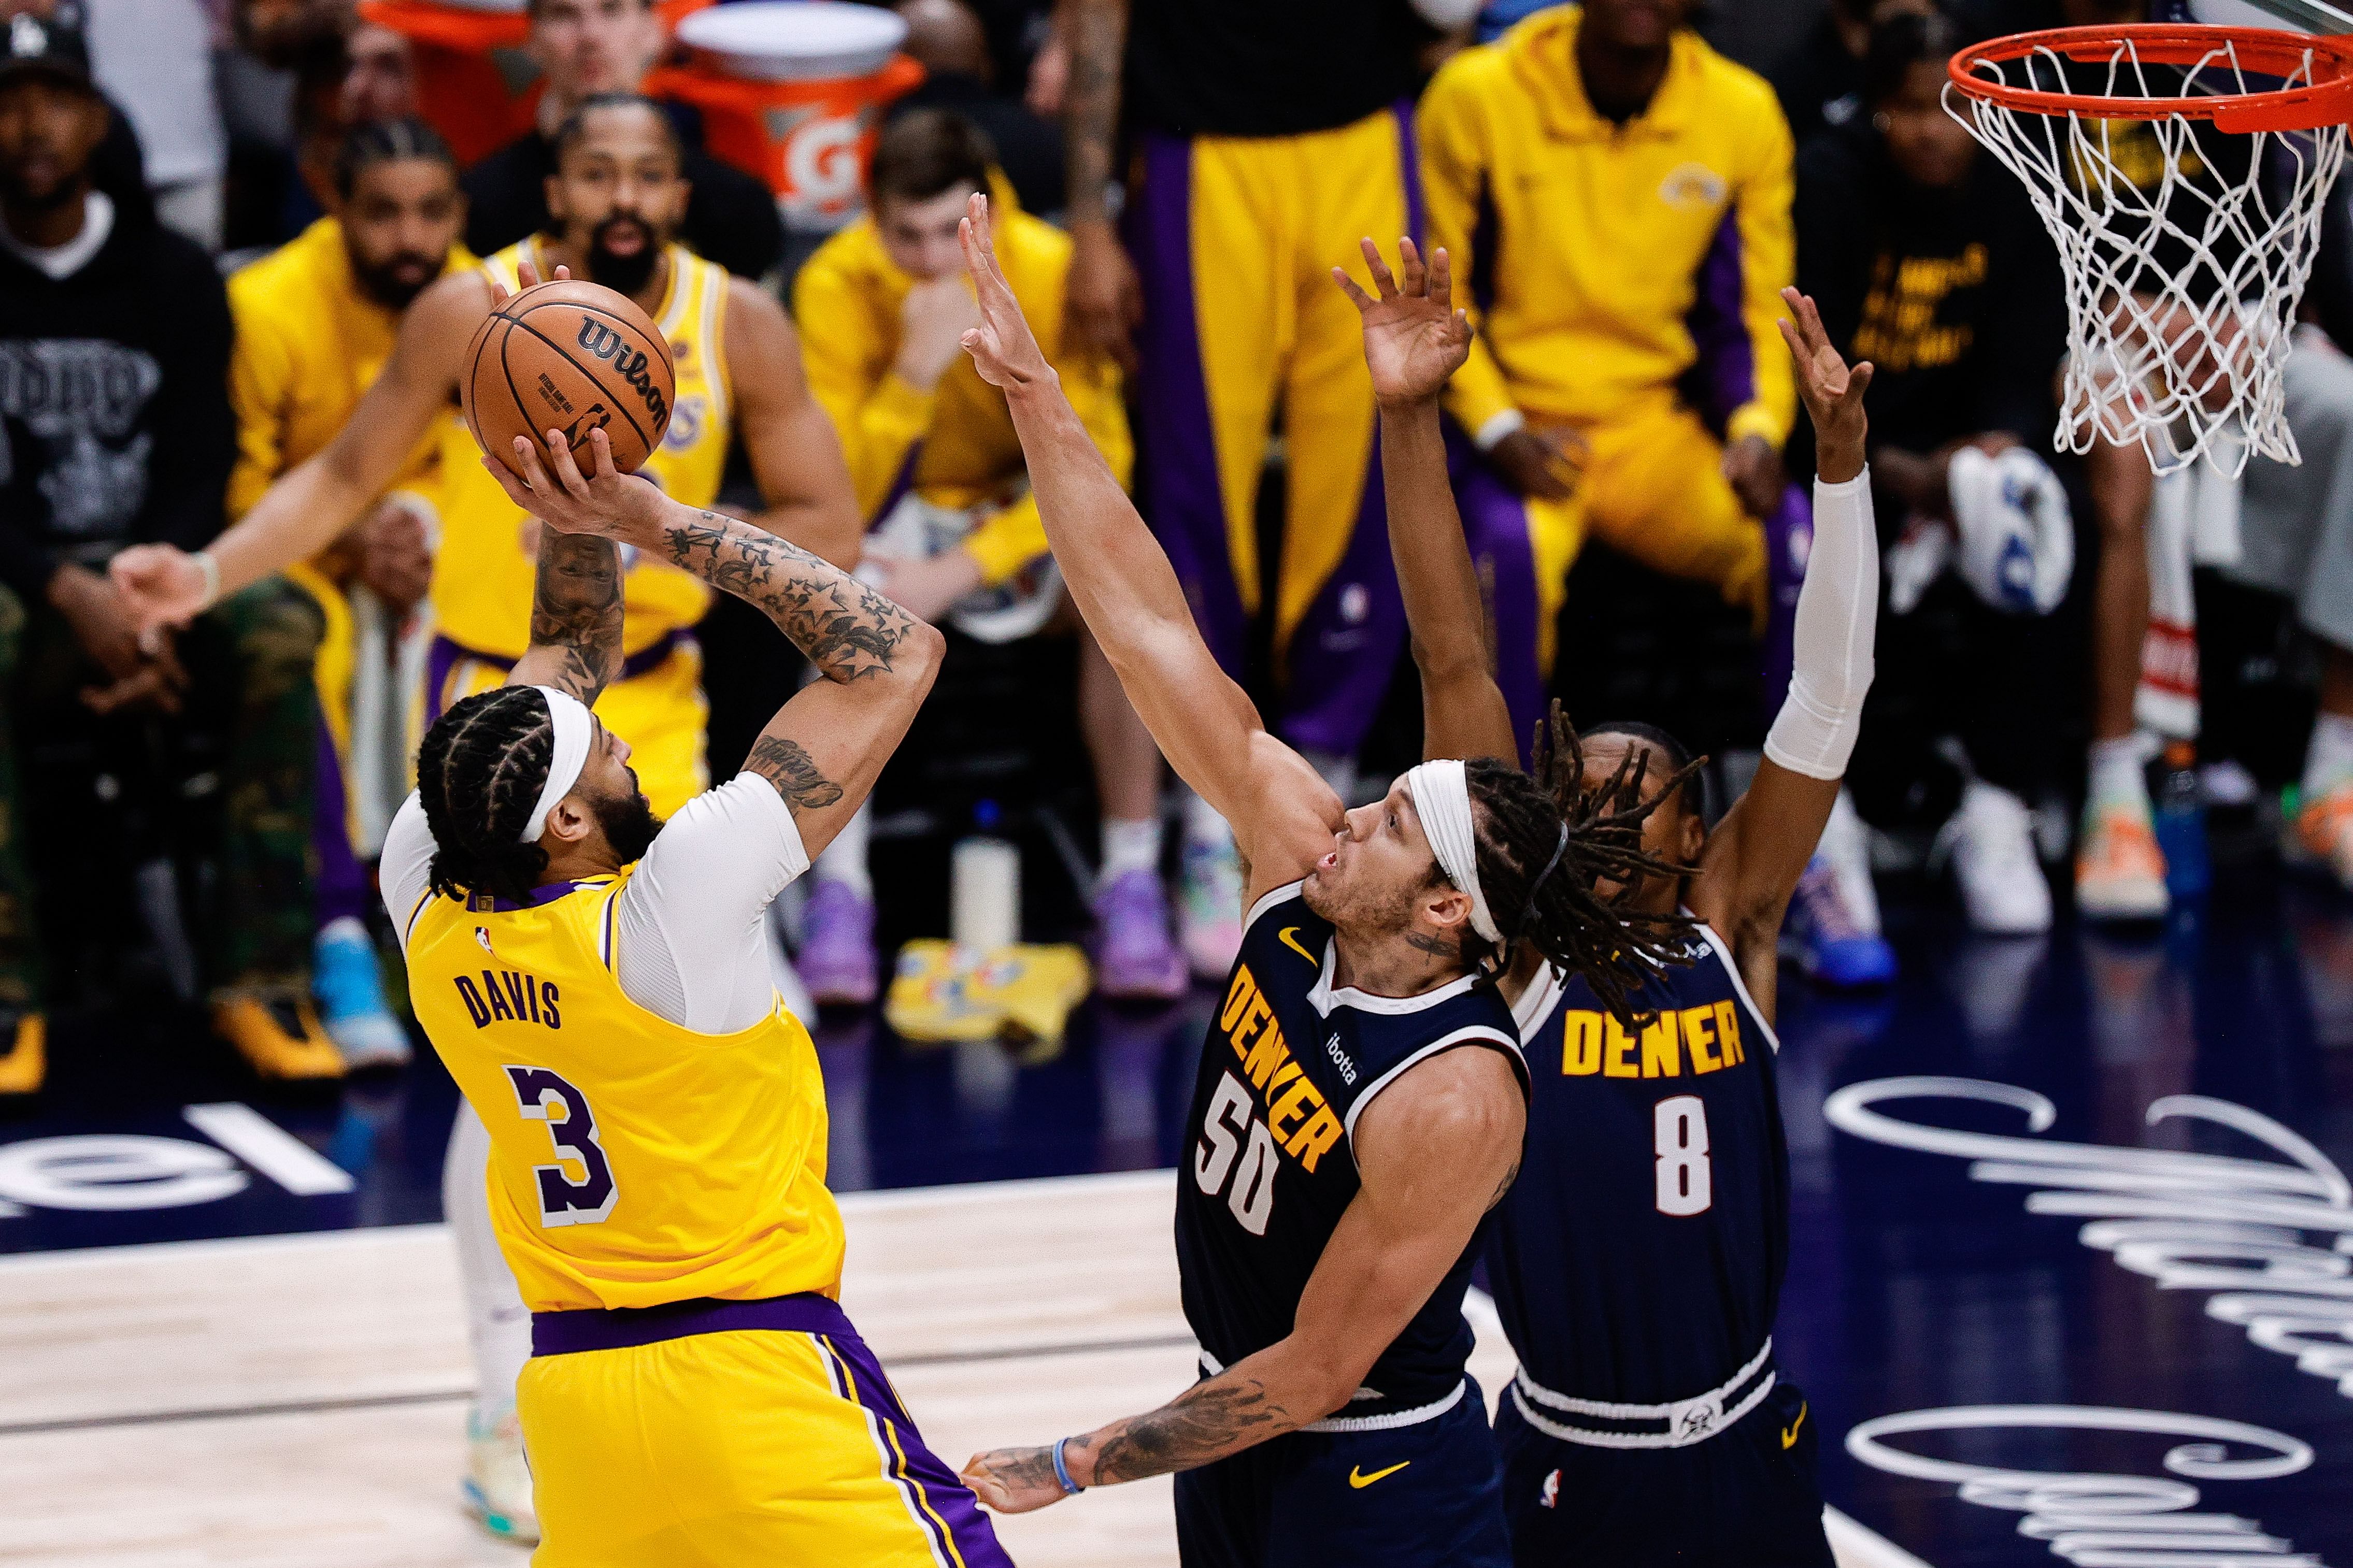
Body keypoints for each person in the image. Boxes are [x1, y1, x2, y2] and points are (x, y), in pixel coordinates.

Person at [951, 197, 1695, 1565]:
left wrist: (1069, 1462)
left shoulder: (1454, 1094)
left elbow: (1313, 1371)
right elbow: (1143, 622)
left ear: (1443, 912)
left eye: (1394, 823)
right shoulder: (1306, 870)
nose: (1349, 811)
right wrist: (1033, 393)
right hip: (1233, 1435)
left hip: (1370, 1481)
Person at [394, 392, 1008, 1565]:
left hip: (574, 1407)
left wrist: (572, 501)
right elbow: (889, 651)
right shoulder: (671, 912)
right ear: (571, 818)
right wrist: (653, 514)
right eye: (612, 751)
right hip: (754, 1379)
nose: (626, 741)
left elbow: (568, 658)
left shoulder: (422, 888)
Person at [1365, 234, 1871, 1567]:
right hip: (1568, 1455)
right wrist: (1407, 412)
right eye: (1571, 791)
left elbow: (1824, 698)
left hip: (1750, 1438)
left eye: (1626, 789)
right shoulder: (1514, 949)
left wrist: (1842, 470)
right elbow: (1450, 647)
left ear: (1694, 825)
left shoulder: (1731, 929)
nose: (1593, 810)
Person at [115, 94, 859, 830]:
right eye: (598, 175)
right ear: (555, 191)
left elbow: (832, 529)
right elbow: (342, 478)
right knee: (483, 945)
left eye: (649, 175)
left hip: (651, 690)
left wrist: (671, 534)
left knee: (654, 947)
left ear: (680, 195)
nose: (624, 198)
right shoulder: (467, 310)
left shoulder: (740, 323)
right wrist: (204, 575)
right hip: (489, 681)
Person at [1057, 0, 1464, 982]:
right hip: (1201, 154)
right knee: (1198, 500)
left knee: (1354, 497)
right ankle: (1215, 815)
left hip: (1361, 138)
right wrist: (1088, 218)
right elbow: (1098, 27)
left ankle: (1327, 814)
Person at [793, 109, 1180, 1002]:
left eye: (948, 233)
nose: (931, 260)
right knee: (827, 595)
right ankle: (841, 890)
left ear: (987, 213)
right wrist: (915, 376)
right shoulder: (831, 282)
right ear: (871, 216)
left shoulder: (1047, 269)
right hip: (892, 522)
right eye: (906, 237)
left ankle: (1129, 873)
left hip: (1021, 515)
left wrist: (964, 566)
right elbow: (836, 496)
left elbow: (1101, 461)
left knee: (1120, 594)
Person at [1417, 0, 1804, 775]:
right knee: (1508, 552)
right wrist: (1499, 431)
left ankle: (1800, 819)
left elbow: (1758, 310)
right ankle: (1508, 817)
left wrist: (1758, 430)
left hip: (1649, 427)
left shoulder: (1742, 110)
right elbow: (1437, 294)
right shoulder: (1477, 93)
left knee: (1793, 539)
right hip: (1518, 425)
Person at [0, 5, 240, 1091]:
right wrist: (61, 584)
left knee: (283, 629)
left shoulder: (176, 271)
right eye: (7, 104)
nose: (30, 126)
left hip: (158, 567)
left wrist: (154, 600)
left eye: (54, 99)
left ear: (97, 118)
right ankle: (10, 991)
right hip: (22, 573)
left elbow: (205, 462)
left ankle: (265, 974)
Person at [1793, 7, 2073, 939]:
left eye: (1952, 109)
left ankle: (1998, 803)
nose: (1934, 132)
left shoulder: (2012, 185)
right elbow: (1798, 360)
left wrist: (1992, 447)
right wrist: (1895, 470)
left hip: (1961, 458)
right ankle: (1824, 824)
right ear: (1878, 109)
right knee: (1816, 546)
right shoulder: (1830, 184)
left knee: (2033, 513)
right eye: (1912, 110)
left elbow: (2029, 356)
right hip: (1844, 454)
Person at [223, 117, 472, 1070]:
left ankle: (446, 927)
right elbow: (241, 488)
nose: (408, 239)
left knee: (456, 639)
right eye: (383, 215)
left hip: (439, 549)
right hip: (307, 556)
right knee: (317, 649)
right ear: (336, 208)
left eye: (430, 214)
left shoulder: (482, 298)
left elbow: (500, 453)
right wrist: (354, 534)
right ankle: (337, 929)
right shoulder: (268, 302)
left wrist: (416, 523)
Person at [460, 0, 782, 282]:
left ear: (655, 31)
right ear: (530, 38)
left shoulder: (740, 210)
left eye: (612, 9)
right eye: (563, 13)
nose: (590, 36)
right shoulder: (478, 206)